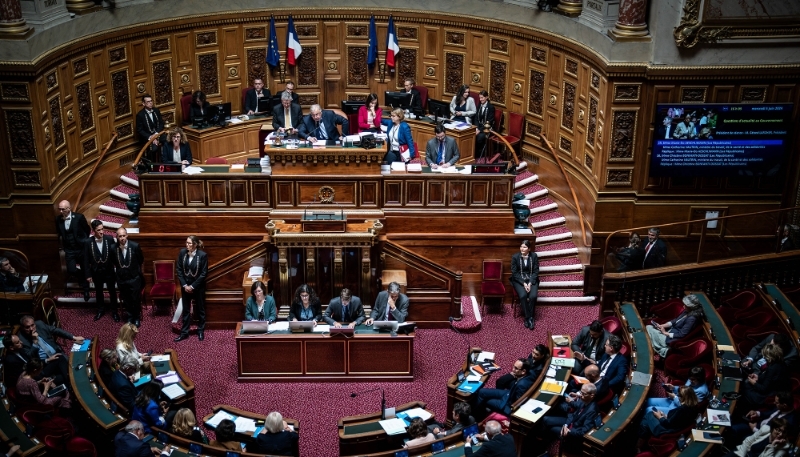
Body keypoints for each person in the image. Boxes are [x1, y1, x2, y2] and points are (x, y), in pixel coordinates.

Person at [17, 315, 84, 386]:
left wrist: (73, 337)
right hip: (44, 364)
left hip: (56, 352)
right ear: (22, 328)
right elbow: (30, 358)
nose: (31, 329)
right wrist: (34, 342)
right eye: (27, 327)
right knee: (65, 367)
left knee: (69, 368)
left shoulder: (40, 324)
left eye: (32, 325)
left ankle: (69, 382)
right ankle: (72, 384)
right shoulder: (21, 340)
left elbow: (55, 330)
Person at [540, 383, 599, 453]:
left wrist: (569, 431)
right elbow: (574, 414)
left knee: (552, 429)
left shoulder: (592, 411)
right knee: (546, 419)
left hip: (574, 430)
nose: (580, 396)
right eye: (581, 392)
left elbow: (584, 432)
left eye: (584, 394)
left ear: (592, 395)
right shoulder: (585, 400)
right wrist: (566, 425)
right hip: (571, 421)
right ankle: (542, 441)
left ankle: (547, 446)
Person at [727, 391, 798, 448]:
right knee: (734, 429)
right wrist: (757, 413)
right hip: (756, 424)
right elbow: (769, 413)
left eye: (776, 403)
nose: (774, 403)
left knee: (744, 439)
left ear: (784, 405)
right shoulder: (781, 407)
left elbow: (772, 436)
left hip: (760, 435)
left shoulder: (790, 421)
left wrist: (755, 429)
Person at [55, 200, 91, 301]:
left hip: (80, 248)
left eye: (63, 209)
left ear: (69, 209)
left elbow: (87, 229)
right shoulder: (58, 219)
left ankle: (86, 290)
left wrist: (83, 241)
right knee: (71, 269)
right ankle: (81, 278)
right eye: (60, 209)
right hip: (69, 249)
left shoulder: (79, 217)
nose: (61, 211)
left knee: (84, 268)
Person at [739, 344, 791, 413]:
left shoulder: (772, 368)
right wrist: (758, 377)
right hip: (771, 390)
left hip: (766, 396)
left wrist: (754, 383)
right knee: (746, 384)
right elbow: (769, 380)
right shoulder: (781, 363)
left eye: (765, 356)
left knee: (744, 388)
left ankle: (741, 412)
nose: (764, 358)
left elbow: (763, 389)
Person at [84, 219, 119, 322]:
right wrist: (88, 275)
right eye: (99, 230)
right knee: (98, 292)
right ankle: (100, 310)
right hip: (96, 272)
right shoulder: (88, 242)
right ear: (93, 231)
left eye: (102, 229)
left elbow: (114, 256)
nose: (102, 232)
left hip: (109, 271)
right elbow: (85, 259)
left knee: (112, 292)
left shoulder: (109, 239)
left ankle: (114, 311)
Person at [175, 235, 208, 342]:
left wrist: (193, 286)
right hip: (185, 287)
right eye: (186, 243)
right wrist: (185, 285)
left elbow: (203, 273)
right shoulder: (182, 253)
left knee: (200, 309)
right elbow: (179, 270)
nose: (187, 245)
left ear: (195, 245)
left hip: (198, 287)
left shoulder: (202, 255)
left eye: (189, 243)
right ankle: (184, 332)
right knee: (186, 310)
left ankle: (200, 330)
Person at [114, 227, 145, 327]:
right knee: (126, 299)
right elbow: (113, 262)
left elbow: (140, 260)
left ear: (127, 235)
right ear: (117, 237)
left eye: (124, 235)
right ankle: (130, 317)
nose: (122, 238)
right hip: (122, 279)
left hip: (134, 278)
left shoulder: (135, 246)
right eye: (120, 236)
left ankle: (136, 317)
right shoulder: (113, 248)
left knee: (135, 299)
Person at [726, 418, 795, 457]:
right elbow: (748, 441)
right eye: (778, 430)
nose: (780, 434)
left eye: (784, 432)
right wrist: (741, 455)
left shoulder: (784, 446)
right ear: (772, 429)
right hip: (743, 453)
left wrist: (773, 445)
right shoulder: (765, 429)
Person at [510, 240, 539, 330]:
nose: (522, 248)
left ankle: (528, 318)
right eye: (521, 246)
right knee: (522, 296)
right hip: (519, 280)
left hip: (531, 280)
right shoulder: (515, 257)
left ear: (529, 249)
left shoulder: (534, 256)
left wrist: (530, 283)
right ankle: (529, 317)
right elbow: (515, 273)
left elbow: (535, 271)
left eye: (525, 247)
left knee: (533, 296)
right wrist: (524, 283)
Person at [135, 94, 165, 161]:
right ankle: (153, 166)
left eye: (151, 101)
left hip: (158, 134)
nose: (150, 103)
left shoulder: (156, 110)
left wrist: (156, 134)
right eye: (148, 102)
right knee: (154, 149)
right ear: (143, 103)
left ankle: (165, 161)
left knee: (168, 141)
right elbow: (140, 130)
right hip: (148, 137)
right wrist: (151, 137)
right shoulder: (140, 115)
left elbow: (161, 124)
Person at [473, 90, 495, 159]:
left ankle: (479, 155)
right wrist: (476, 128)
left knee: (479, 137)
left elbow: (489, 121)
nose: (480, 99)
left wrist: (479, 130)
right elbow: (476, 118)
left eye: (482, 98)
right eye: (480, 98)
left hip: (487, 128)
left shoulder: (491, 107)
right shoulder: (479, 105)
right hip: (479, 127)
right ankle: (472, 153)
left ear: (486, 97)